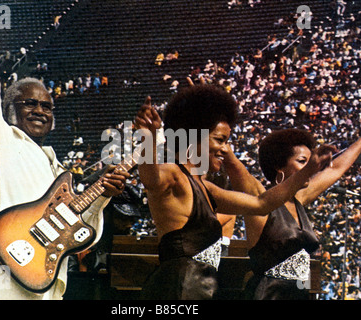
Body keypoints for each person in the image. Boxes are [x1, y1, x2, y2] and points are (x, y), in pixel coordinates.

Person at [0, 0, 128, 300]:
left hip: (50, 276)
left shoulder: (56, 169)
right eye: (30, 103)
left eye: (47, 106)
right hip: (8, 268)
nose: (40, 110)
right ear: (7, 109)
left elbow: (81, 232)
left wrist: (103, 196)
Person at [134, 84, 334, 300]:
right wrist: (148, 137)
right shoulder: (173, 175)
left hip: (202, 291)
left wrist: (309, 170)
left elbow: (262, 204)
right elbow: (151, 178)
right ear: (195, 138)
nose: (225, 149)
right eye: (220, 140)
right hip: (177, 291)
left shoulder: (207, 189)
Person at [234, 101, 361, 300]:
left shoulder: (299, 199)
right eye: (303, 162)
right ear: (279, 166)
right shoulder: (258, 198)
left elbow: (335, 169)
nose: (312, 167)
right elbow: (233, 164)